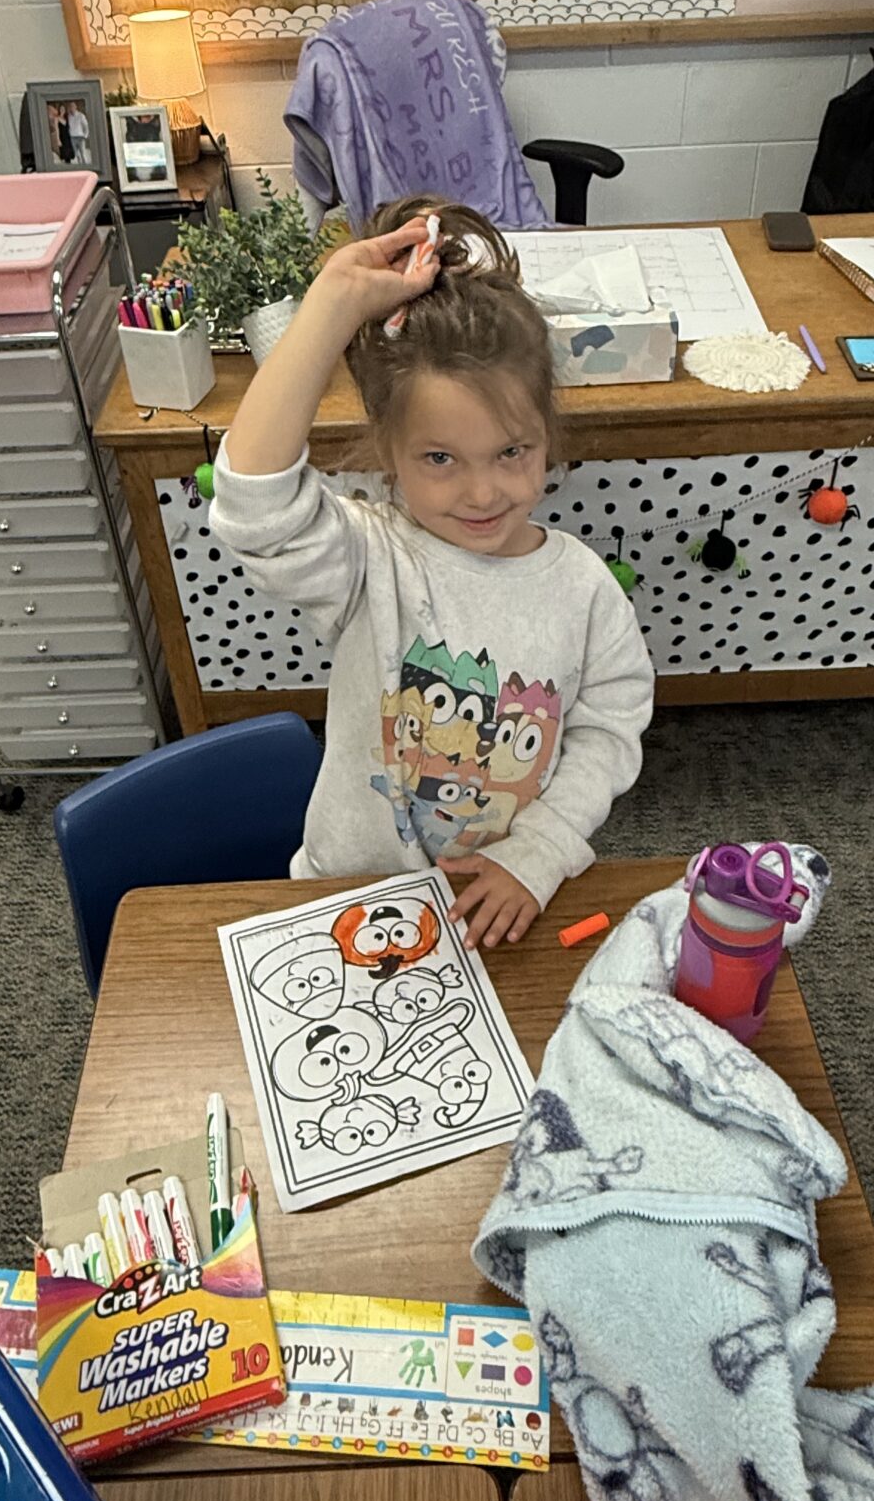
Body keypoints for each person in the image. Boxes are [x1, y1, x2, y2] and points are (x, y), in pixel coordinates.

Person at [209, 197, 654, 951]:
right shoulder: (369, 556)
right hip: (349, 894)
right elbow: (255, 504)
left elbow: (609, 732)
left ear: (547, 437)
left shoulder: (582, 587)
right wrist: (333, 304)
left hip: (500, 902)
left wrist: (540, 851)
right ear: (389, 454)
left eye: (512, 452)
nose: (483, 494)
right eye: (440, 459)